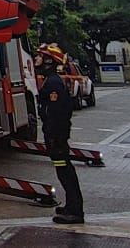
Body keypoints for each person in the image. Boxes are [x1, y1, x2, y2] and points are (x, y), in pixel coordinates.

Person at [37, 44, 85, 223]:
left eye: (40, 56)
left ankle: (75, 211)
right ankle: (71, 206)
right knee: (63, 169)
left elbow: (57, 112)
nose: (36, 59)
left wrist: (53, 135)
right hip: (56, 134)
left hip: (57, 135)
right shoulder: (51, 81)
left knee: (65, 171)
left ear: (49, 61)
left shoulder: (53, 83)